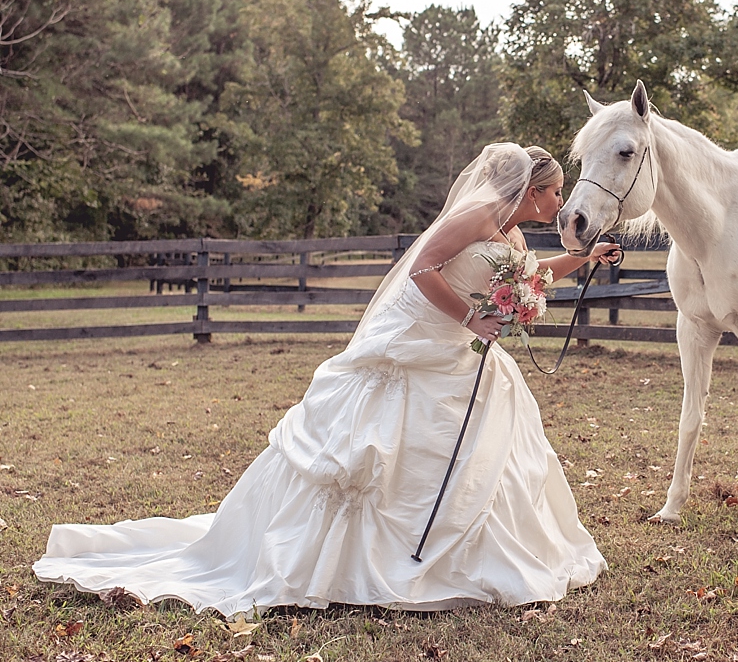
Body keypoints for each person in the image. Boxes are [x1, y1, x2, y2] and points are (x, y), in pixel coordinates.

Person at [34, 143, 620, 615]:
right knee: (371, 447)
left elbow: (532, 273)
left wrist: (585, 261)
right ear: (532, 189)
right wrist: (470, 316)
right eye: (557, 192)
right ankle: (349, 559)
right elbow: (421, 269)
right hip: (418, 338)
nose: (561, 202)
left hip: (460, 348)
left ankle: (470, 549)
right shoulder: (476, 217)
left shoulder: (513, 234)